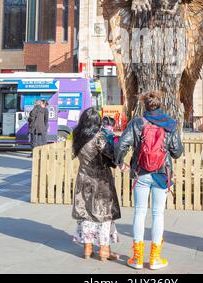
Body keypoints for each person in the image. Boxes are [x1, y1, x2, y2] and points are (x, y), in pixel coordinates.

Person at [115, 91, 183, 270]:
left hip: (141, 173)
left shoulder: (137, 123)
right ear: (160, 104)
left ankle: (137, 258)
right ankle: (155, 258)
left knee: (139, 212)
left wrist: (120, 163)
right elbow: (177, 152)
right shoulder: (170, 124)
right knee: (158, 214)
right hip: (161, 174)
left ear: (145, 105)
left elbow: (122, 144)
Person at [72, 107, 121, 262]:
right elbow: (112, 155)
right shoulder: (99, 137)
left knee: (86, 213)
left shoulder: (77, 135)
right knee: (104, 215)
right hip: (100, 180)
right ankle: (104, 250)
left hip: (83, 179)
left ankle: (87, 248)